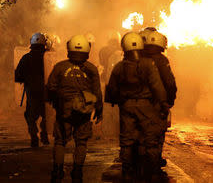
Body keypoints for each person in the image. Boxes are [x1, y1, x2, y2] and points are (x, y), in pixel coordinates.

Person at [105, 32, 169, 182]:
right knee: (150, 141)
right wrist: (163, 103)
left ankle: (127, 172)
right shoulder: (148, 64)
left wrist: (117, 101)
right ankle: (153, 172)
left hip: (126, 106)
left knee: (127, 141)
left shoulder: (120, 67)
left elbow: (112, 90)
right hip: (146, 106)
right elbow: (157, 86)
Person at [46, 35, 103, 183]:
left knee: (60, 141)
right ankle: (77, 171)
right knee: (81, 142)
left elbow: (50, 88)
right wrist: (99, 109)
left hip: (63, 110)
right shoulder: (91, 69)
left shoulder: (60, 67)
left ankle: (57, 170)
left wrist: (56, 102)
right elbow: (97, 92)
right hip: (83, 111)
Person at [140, 29, 177, 166]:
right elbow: (169, 82)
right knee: (158, 133)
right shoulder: (162, 60)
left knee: (141, 132)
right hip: (157, 102)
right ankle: (154, 162)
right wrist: (170, 100)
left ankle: (141, 159)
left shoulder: (139, 57)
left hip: (141, 101)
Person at [15, 32, 50, 147]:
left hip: (32, 91)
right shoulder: (48, 57)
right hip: (47, 91)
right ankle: (44, 135)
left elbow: (18, 76)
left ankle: (34, 136)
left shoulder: (26, 58)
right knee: (47, 114)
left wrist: (26, 79)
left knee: (30, 115)